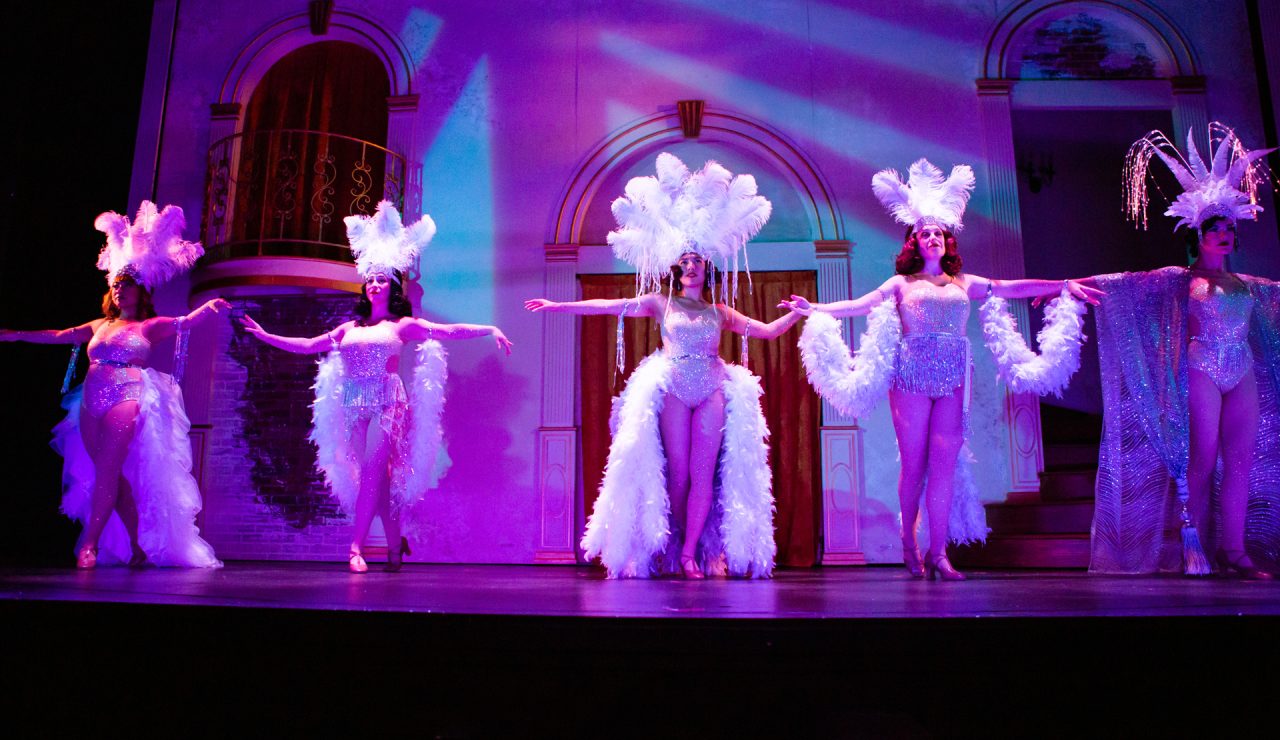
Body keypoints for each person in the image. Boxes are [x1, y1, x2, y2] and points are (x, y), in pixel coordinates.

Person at [784, 160, 1100, 580]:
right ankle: (908, 542)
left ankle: (938, 551)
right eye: (925, 233)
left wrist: (1060, 286)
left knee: (945, 465)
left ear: (947, 241)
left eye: (939, 233)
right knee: (914, 464)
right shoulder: (902, 284)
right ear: (915, 241)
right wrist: (814, 307)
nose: (932, 237)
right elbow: (859, 305)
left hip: (953, 379)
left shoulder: (963, 282)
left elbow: (1011, 288)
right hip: (911, 378)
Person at [526, 153, 796, 579]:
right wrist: (560, 303)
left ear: (707, 266)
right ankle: (667, 546)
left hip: (711, 388)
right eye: (684, 260)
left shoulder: (721, 311)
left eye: (697, 260)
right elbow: (609, 305)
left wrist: (798, 314)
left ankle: (689, 553)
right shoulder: (660, 302)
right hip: (672, 387)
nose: (690, 266)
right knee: (681, 474)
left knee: (704, 474)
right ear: (676, 267)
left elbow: (765, 332)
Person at [240, 201, 512, 573]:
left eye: (382, 279)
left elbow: (447, 331)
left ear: (392, 286)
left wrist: (488, 328)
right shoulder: (349, 330)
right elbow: (306, 345)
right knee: (376, 478)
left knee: (371, 468)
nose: (375, 285)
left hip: (387, 400)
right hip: (355, 401)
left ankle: (356, 547)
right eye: (370, 279)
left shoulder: (401, 326)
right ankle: (396, 544)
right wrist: (266, 335)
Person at [1086, 123, 1279, 578]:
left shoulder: (1245, 285)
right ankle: (1191, 548)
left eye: (1231, 228)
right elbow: (1126, 287)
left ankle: (1234, 551)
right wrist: (1073, 288)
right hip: (1202, 367)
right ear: (1199, 233)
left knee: (1241, 461)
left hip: (1240, 368)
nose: (1226, 234)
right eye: (1217, 228)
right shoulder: (1181, 279)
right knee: (1203, 457)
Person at [0, 202, 226, 568]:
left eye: (128, 285)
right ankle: (136, 547)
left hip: (128, 392)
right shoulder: (98, 325)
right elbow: (58, 334)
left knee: (108, 467)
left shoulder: (148, 327)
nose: (121, 290)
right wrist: (15, 335)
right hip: (91, 396)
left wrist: (209, 307)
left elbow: (185, 322)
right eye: (117, 285)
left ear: (141, 291)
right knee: (111, 473)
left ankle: (89, 544)